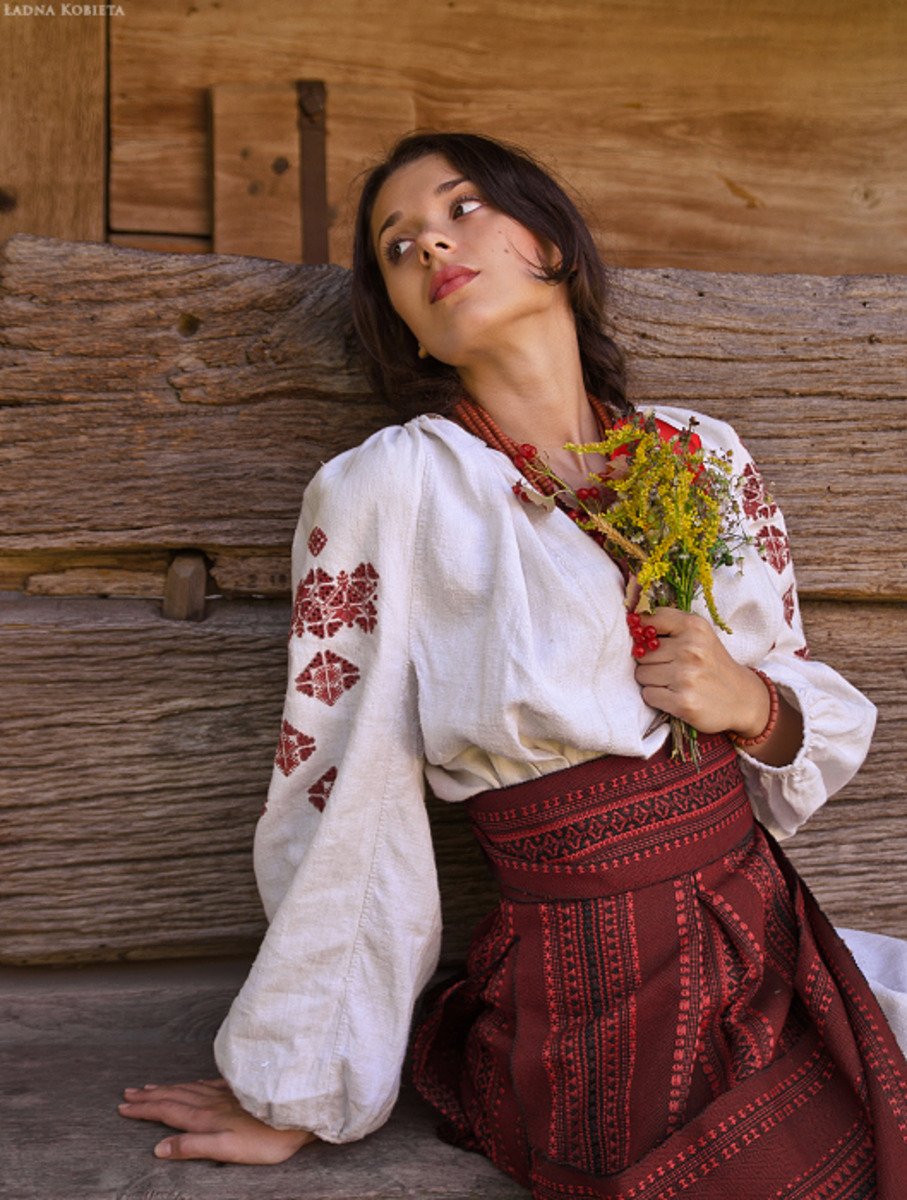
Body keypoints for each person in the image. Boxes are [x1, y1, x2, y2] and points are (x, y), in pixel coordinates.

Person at [120, 133, 907, 1193]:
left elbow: (792, 696)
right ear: (404, 323)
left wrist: (750, 704)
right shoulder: (394, 491)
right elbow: (345, 795)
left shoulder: (701, 456)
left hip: (766, 931)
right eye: (397, 247)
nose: (430, 241)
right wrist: (297, 1086)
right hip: (596, 990)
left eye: (462, 208)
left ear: (553, 243)